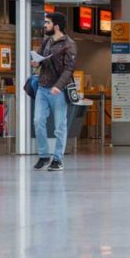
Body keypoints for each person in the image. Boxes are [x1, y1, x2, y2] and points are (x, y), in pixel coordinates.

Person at [31, 12, 77, 172]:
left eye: (47, 23)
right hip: (43, 88)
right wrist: (36, 62)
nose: (45, 25)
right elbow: (41, 59)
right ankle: (44, 155)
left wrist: (58, 86)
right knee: (38, 121)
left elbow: (69, 69)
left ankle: (57, 159)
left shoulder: (69, 44)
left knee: (59, 126)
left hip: (58, 90)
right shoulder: (47, 41)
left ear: (56, 26)